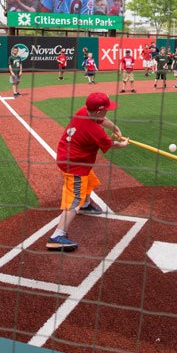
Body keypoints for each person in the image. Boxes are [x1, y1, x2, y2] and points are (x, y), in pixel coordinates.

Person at [46, 92, 129, 251]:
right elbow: (111, 145)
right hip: (74, 165)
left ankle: (85, 205)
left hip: (70, 156)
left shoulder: (83, 111)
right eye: (106, 109)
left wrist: (115, 127)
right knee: (74, 197)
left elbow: (102, 119)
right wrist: (123, 144)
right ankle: (57, 236)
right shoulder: (95, 132)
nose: (107, 111)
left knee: (89, 181)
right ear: (98, 111)